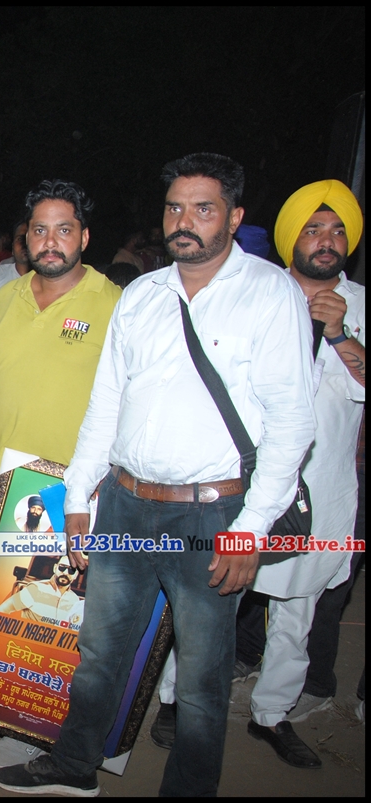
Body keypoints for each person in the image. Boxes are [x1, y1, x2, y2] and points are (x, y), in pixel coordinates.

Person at [0, 153, 316, 797]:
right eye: (174, 208)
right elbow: (106, 406)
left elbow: (292, 424)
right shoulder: (142, 295)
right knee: (99, 652)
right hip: (124, 503)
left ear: (234, 217)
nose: (184, 221)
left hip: (211, 516)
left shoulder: (269, 292)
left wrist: (250, 529)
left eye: (203, 208)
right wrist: (79, 496)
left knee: (201, 677)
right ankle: (74, 765)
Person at [154, 180, 366, 768]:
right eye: (313, 229)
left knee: (298, 610)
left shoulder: (360, 304)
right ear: (291, 236)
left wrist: (339, 334)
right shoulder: (255, 290)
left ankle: (271, 713)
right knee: (205, 598)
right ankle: (173, 698)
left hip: (323, 488)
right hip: (240, 481)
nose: (326, 241)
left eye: (337, 231)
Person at [0, 180, 119, 627]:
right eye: (40, 230)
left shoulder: (115, 304)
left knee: (54, 619)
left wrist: (103, 481)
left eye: (64, 230)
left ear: (84, 237)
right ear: (26, 238)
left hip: (73, 492)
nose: (50, 241)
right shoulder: (6, 297)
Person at [0, 556, 85, 627]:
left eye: (71, 570)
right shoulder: (36, 588)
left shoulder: (75, 600)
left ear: (76, 575)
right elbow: (3, 609)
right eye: (62, 567)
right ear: (55, 568)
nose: (65, 572)